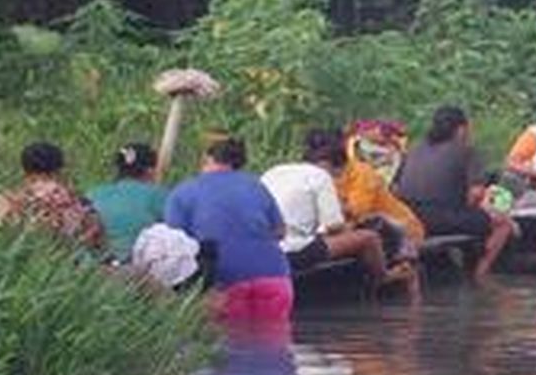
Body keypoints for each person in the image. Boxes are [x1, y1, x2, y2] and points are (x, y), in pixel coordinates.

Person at [165, 137, 293, 325]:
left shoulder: (183, 192)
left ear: (207, 159)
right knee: (273, 338)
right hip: (273, 280)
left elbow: (173, 245)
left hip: (221, 287)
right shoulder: (255, 185)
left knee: (228, 340)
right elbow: (280, 232)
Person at [395, 106, 515, 278]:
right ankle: (481, 275)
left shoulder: (414, 149)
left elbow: (396, 187)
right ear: (461, 129)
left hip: (407, 216)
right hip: (441, 218)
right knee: (503, 224)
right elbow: (476, 194)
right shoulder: (466, 151)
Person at [262, 129, 389, 283]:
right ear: (334, 167)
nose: (336, 180)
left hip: (260, 247)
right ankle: (384, 279)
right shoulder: (321, 176)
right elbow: (334, 227)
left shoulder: (274, 171)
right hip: (291, 251)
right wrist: (350, 228)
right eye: (338, 175)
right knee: (369, 238)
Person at [0, 142, 105, 252]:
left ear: (24, 170)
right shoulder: (81, 204)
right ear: (60, 170)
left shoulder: (9, 202)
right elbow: (97, 241)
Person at [86, 143, 169, 264]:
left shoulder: (93, 194)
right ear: (150, 170)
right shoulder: (160, 195)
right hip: (136, 267)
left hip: (92, 267)